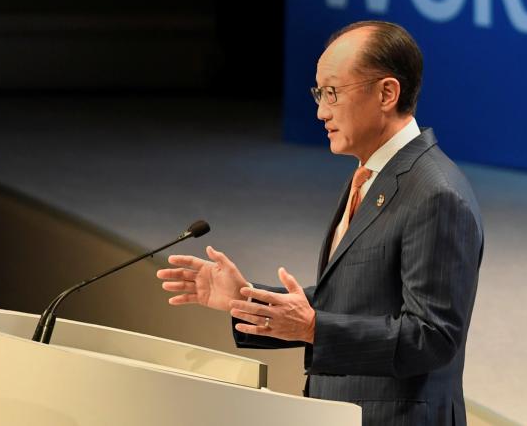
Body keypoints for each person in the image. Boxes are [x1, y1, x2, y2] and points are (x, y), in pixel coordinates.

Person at [156, 21, 484, 426]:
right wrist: (246, 299)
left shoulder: (436, 194)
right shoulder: (370, 175)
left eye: (332, 93)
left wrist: (314, 329)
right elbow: (356, 298)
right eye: (319, 93)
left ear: (387, 93)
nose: (320, 111)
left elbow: (433, 338)